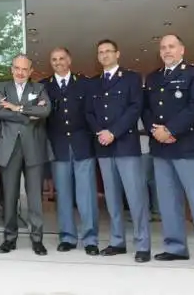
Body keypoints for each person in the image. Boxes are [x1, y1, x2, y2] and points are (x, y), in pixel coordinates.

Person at [143, 34, 194, 271]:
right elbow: (146, 109)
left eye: (171, 46)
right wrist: (155, 131)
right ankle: (176, 247)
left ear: (182, 50)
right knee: (168, 202)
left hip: (188, 147)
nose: (167, 51)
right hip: (161, 148)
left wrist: (170, 130)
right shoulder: (154, 77)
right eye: (163, 48)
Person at [86, 39, 150, 263]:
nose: (104, 55)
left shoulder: (131, 79)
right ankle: (117, 242)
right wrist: (100, 133)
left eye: (108, 51)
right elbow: (89, 113)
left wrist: (113, 132)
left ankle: (142, 244)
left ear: (117, 54)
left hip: (125, 145)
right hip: (103, 147)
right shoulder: (93, 83)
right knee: (112, 198)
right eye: (100, 52)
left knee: (135, 197)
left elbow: (135, 109)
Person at [43, 47, 99, 255]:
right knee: (64, 195)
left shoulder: (84, 84)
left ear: (69, 60)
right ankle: (67, 236)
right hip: (58, 148)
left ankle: (90, 238)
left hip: (82, 145)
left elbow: (92, 113)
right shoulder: (44, 86)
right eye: (54, 59)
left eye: (61, 58)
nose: (58, 62)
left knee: (86, 195)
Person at [0, 54, 51, 255]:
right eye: (17, 68)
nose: (20, 72)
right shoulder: (2, 88)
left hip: (33, 148)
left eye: (24, 69)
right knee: (9, 197)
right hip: (9, 149)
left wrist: (17, 108)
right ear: (12, 69)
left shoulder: (39, 89)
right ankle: (10, 238)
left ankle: (37, 239)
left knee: (35, 197)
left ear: (30, 71)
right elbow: (0, 113)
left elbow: (45, 112)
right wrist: (29, 115)